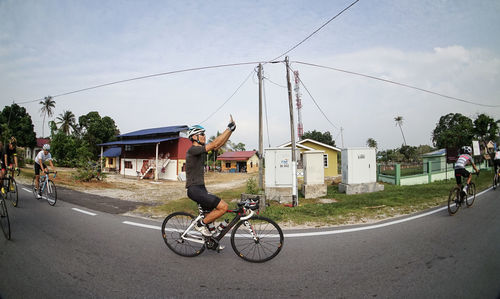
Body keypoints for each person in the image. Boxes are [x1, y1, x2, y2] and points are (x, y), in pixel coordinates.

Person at [185, 116, 236, 237]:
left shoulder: (201, 151)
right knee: (223, 207)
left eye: (204, 134)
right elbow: (214, 144)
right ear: (194, 137)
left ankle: (212, 241)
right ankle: (200, 224)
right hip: (194, 189)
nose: (204, 136)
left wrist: (231, 131)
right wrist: (228, 128)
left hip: (201, 188)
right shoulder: (193, 150)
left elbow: (219, 144)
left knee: (211, 215)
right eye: (201, 134)